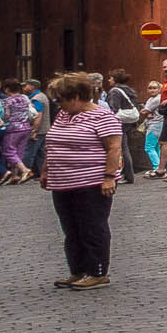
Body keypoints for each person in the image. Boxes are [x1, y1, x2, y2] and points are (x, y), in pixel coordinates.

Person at [39, 74, 122, 289]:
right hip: (62, 182)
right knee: (71, 229)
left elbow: (113, 148)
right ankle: (78, 271)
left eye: (61, 100)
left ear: (76, 96)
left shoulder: (103, 117)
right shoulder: (63, 115)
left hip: (91, 181)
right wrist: (46, 169)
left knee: (92, 227)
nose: (59, 104)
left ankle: (98, 272)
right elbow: (54, 144)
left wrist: (109, 177)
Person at [102, 71, 143, 184]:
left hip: (118, 123)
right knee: (125, 148)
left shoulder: (115, 91)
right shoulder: (129, 90)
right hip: (128, 123)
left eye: (110, 78)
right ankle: (129, 174)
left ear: (115, 79)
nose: (108, 80)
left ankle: (127, 175)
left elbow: (113, 108)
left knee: (122, 149)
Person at [0, 77, 36, 184]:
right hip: (26, 127)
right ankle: (15, 175)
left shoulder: (7, 101)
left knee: (8, 151)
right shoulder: (25, 98)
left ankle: (25, 170)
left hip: (13, 128)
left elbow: (6, 116)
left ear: (6, 89)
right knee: (18, 152)